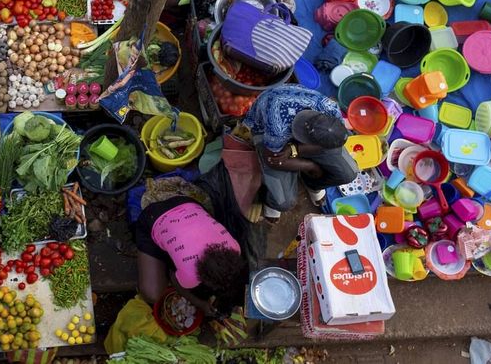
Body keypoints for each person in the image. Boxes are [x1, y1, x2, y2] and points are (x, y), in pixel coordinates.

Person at [242, 84, 360, 220]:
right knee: (284, 202)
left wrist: (294, 150)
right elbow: (273, 160)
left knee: (348, 174)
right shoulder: (278, 126)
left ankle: (312, 184)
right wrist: (310, 166)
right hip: (266, 136)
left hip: (298, 142)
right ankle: (271, 201)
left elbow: (328, 144)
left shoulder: (330, 109)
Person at [135, 195, 249, 317]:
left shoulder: (234, 247)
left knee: (177, 247)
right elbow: (174, 278)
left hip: (186, 203)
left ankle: (169, 247)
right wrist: (200, 304)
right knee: (152, 294)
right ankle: (162, 248)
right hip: (153, 216)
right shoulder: (190, 275)